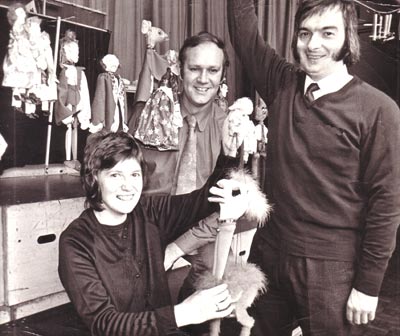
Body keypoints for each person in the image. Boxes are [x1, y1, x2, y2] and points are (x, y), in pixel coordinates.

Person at [227, 0, 400, 335]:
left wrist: (368, 286)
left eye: (327, 33)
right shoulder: (283, 84)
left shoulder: (380, 110)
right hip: (270, 255)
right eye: (304, 33)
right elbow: (244, 33)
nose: (313, 44)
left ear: (348, 38)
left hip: (333, 270)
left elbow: (386, 206)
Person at [58, 130, 249, 336]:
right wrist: (184, 313)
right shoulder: (75, 242)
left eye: (134, 175)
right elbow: (105, 324)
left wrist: (228, 154)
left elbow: (200, 203)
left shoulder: (148, 211)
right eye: (115, 175)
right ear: (94, 178)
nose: (128, 186)